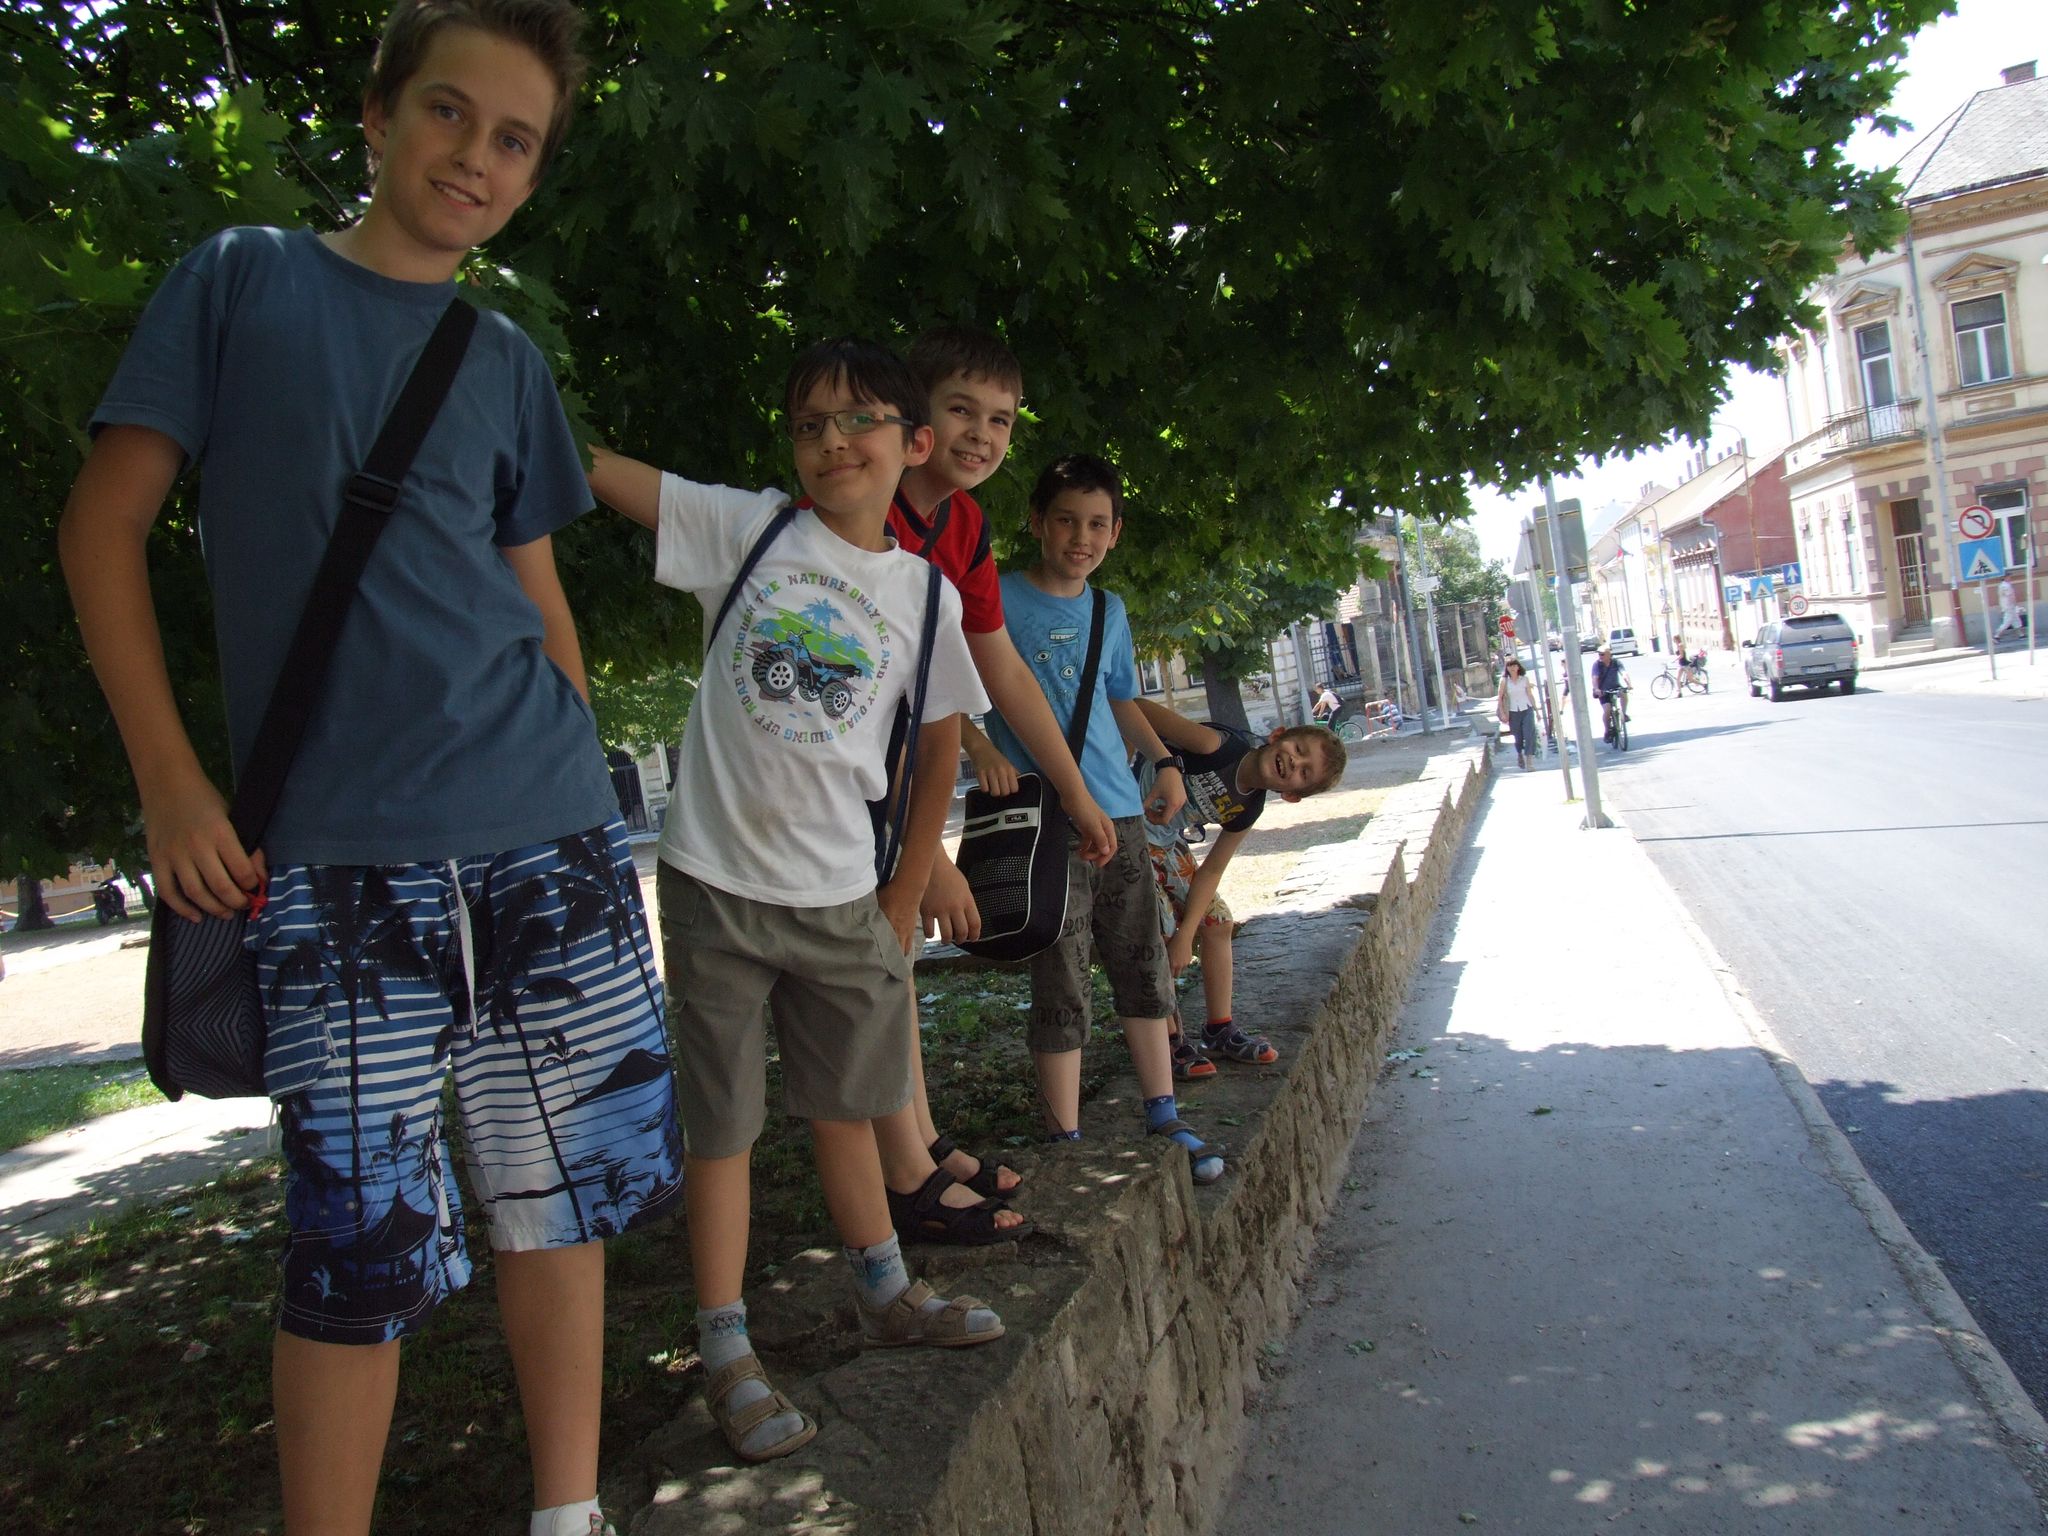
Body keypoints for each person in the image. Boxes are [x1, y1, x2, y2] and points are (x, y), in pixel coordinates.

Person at [58, 6, 679, 1534]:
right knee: (353, 1250)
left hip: (551, 840)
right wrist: (172, 784)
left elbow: (540, 605)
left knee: (562, 1203)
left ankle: (569, 1515)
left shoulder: (505, 357)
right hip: (337, 871)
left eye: (515, 139)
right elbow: (101, 527)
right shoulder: (241, 279)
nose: (476, 156)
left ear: (532, 173)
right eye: (449, 112)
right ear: (379, 112)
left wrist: (580, 791)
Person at [586, 337, 1005, 1466]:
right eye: (810, 425)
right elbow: (599, 469)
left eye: (860, 420)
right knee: (721, 1123)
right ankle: (725, 1346)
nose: (833, 442)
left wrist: (903, 892)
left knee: (849, 1106)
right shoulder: (751, 530)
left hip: (841, 895)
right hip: (716, 885)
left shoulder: (924, 593)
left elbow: (937, 750)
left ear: (913, 444)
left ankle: (885, 1289)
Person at [866, 326, 1119, 1246]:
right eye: (961, 410)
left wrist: (1079, 796)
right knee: (874, 964)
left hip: (893, 778)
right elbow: (871, 695)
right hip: (843, 779)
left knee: (890, 962)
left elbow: (1001, 669)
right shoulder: (868, 512)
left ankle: (921, 1141)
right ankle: (903, 1177)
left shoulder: (961, 525)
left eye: (1001, 419)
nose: (981, 433)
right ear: (916, 418)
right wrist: (926, 858)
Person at [962, 454, 1229, 1184]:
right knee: (1061, 972)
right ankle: (1065, 1136)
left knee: (1141, 960)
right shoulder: (994, 598)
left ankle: (1164, 1111)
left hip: (1120, 813)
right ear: (1037, 523)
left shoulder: (1110, 610)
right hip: (1045, 821)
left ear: (1115, 533)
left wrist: (1164, 762)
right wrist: (980, 747)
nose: (1081, 538)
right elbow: (941, 691)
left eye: (1097, 524)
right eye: (1067, 521)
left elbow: (1121, 698)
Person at [1129, 699, 1347, 1071]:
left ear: (1292, 795)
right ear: (1278, 735)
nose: (1294, 762)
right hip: (1126, 826)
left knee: (1219, 921)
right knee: (1157, 927)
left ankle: (1219, 1028)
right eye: (1298, 749)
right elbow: (1137, 707)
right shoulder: (1216, 747)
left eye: (1304, 773)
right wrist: (1158, 761)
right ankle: (1167, 1039)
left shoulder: (1247, 808)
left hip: (1164, 843)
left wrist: (1188, 933)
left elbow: (1212, 870)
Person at [1496, 657, 1541, 769]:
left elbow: (1530, 695)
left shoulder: (1524, 679)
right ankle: (1520, 754)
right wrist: (1502, 713)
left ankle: (1529, 762)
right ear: (1507, 668)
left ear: (1518, 667)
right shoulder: (1504, 681)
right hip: (1513, 712)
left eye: (1514, 665)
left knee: (1529, 734)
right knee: (1518, 737)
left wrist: (1536, 710)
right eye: (1509, 666)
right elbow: (1500, 698)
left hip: (1526, 709)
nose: (1512, 668)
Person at [1589, 643, 1630, 743]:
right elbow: (1595, 678)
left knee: (1624, 694)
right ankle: (1607, 731)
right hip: (1603, 691)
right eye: (1599, 654)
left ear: (1609, 654)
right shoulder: (1597, 665)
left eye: (1602, 654)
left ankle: (1623, 714)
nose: (1600, 656)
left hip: (1615, 686)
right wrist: (1596, 689)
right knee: (1607, 710)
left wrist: (1629, 684)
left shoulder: (1616, 662)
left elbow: (1624, 673)